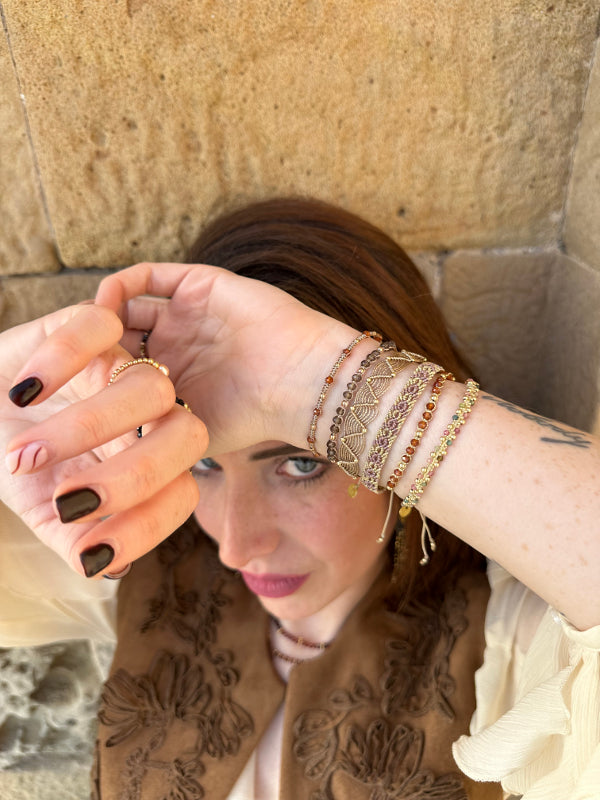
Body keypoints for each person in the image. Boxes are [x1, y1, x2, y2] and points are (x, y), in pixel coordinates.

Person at [0, 198, 598, 800]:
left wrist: (324, 382)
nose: (237, 546)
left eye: (301, 464)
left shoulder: (506, 632)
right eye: (203, 463)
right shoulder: (143, 569)